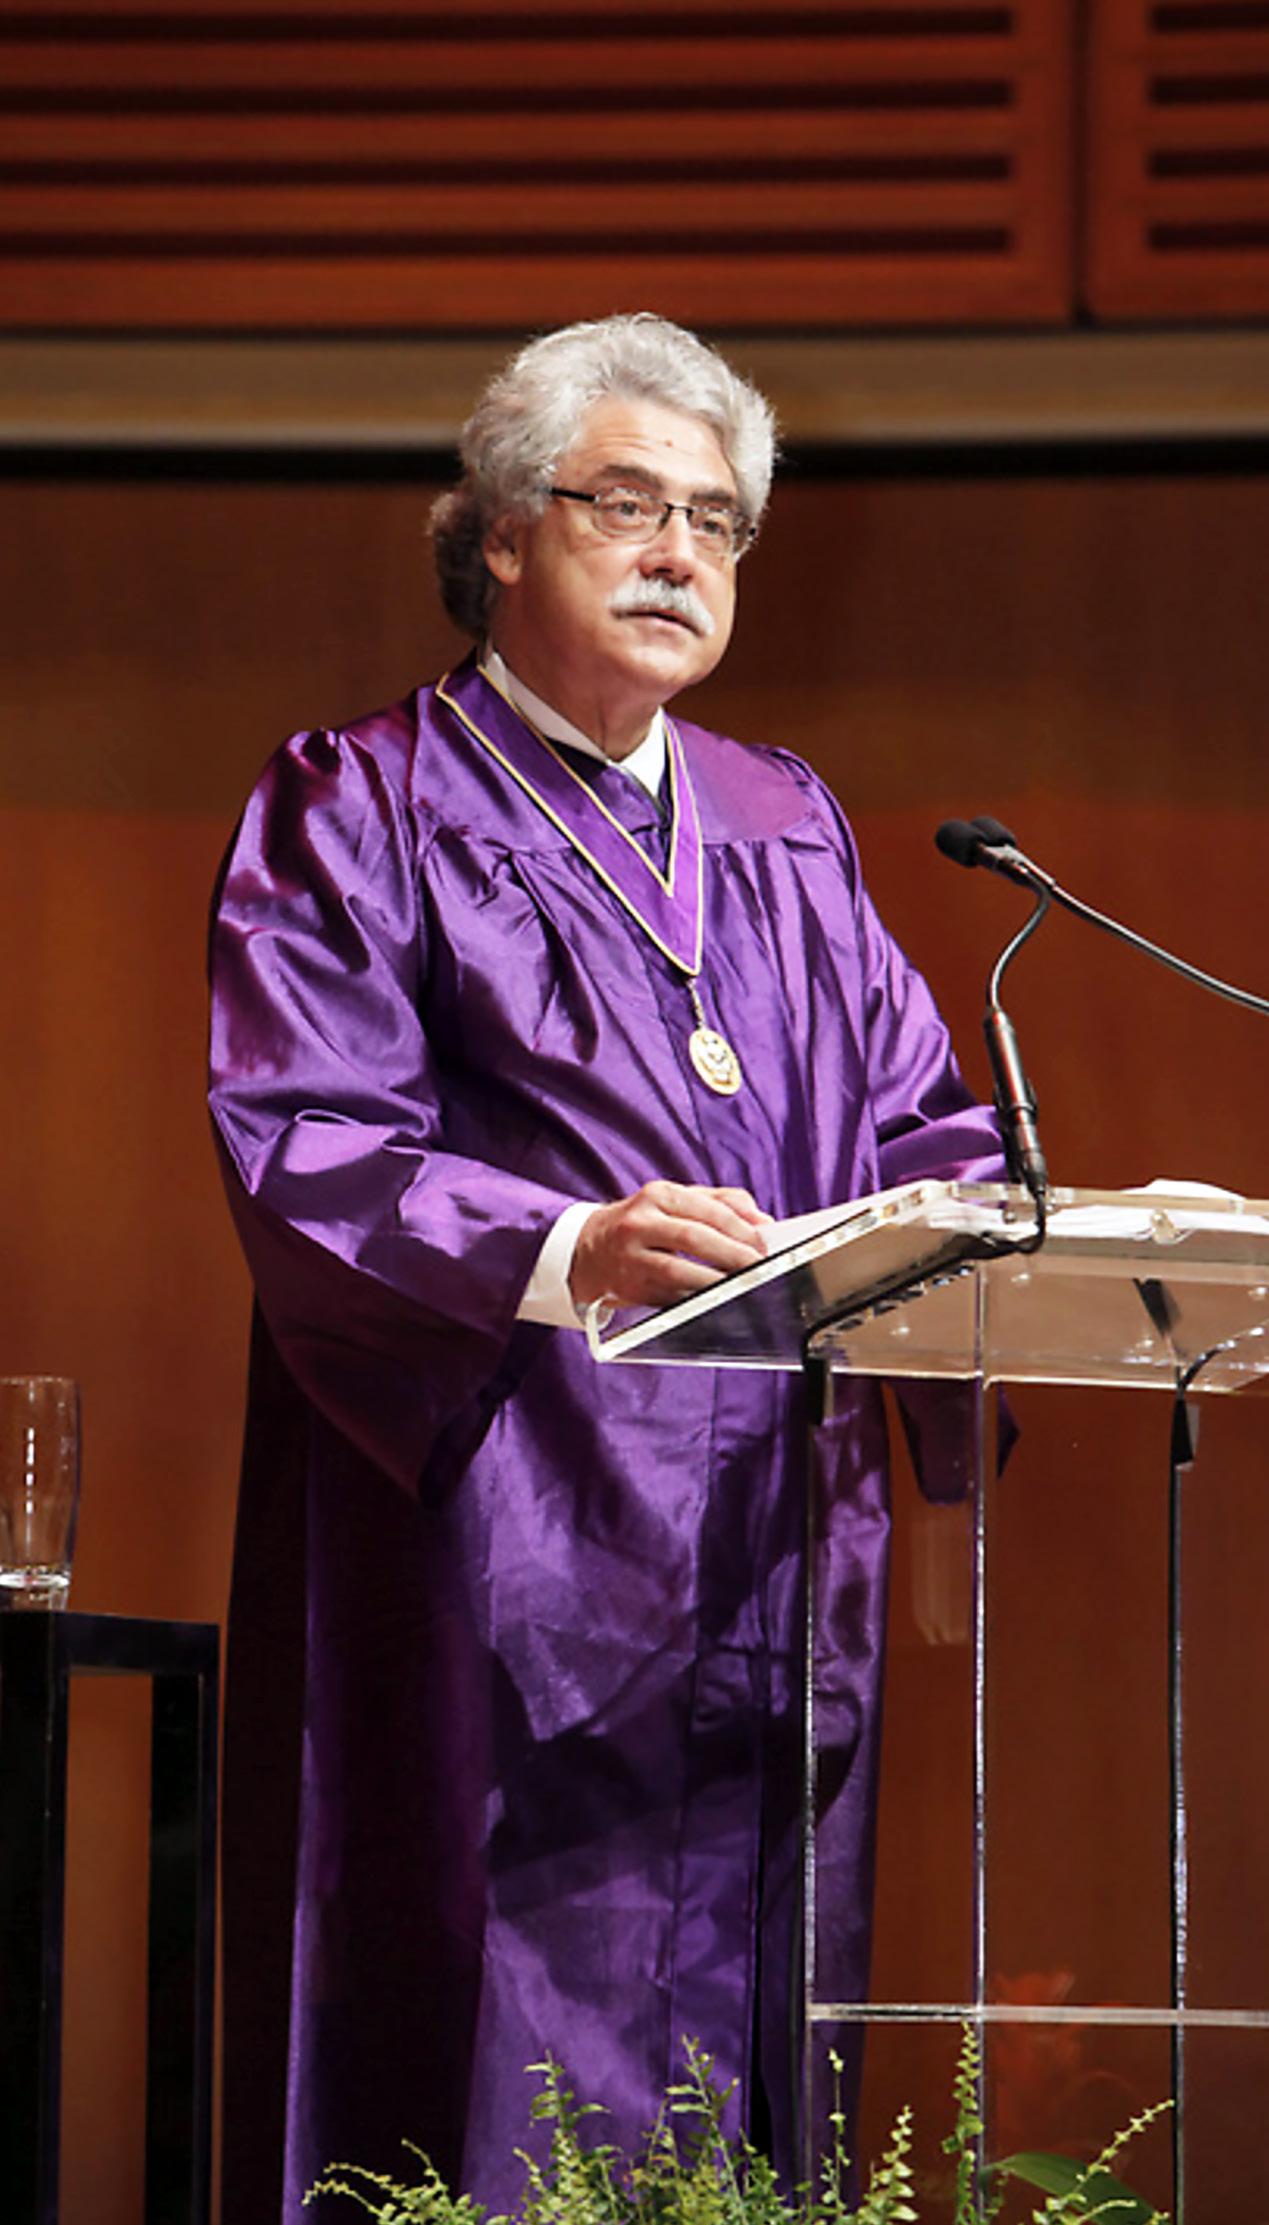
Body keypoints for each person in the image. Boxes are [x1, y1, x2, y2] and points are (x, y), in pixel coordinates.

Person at [208, 313, 1005, 2222]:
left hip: (767, 1534)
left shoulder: (781, 821)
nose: (676, 553)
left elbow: (921, 1120)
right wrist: (569, 1243)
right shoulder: (361, 800)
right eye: (624, 505)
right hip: (513, 1518)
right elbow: (304, 1135)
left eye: (714, 522)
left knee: (753, 2020)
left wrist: (1011, 1232)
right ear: (500, 530)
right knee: (500, 2029)